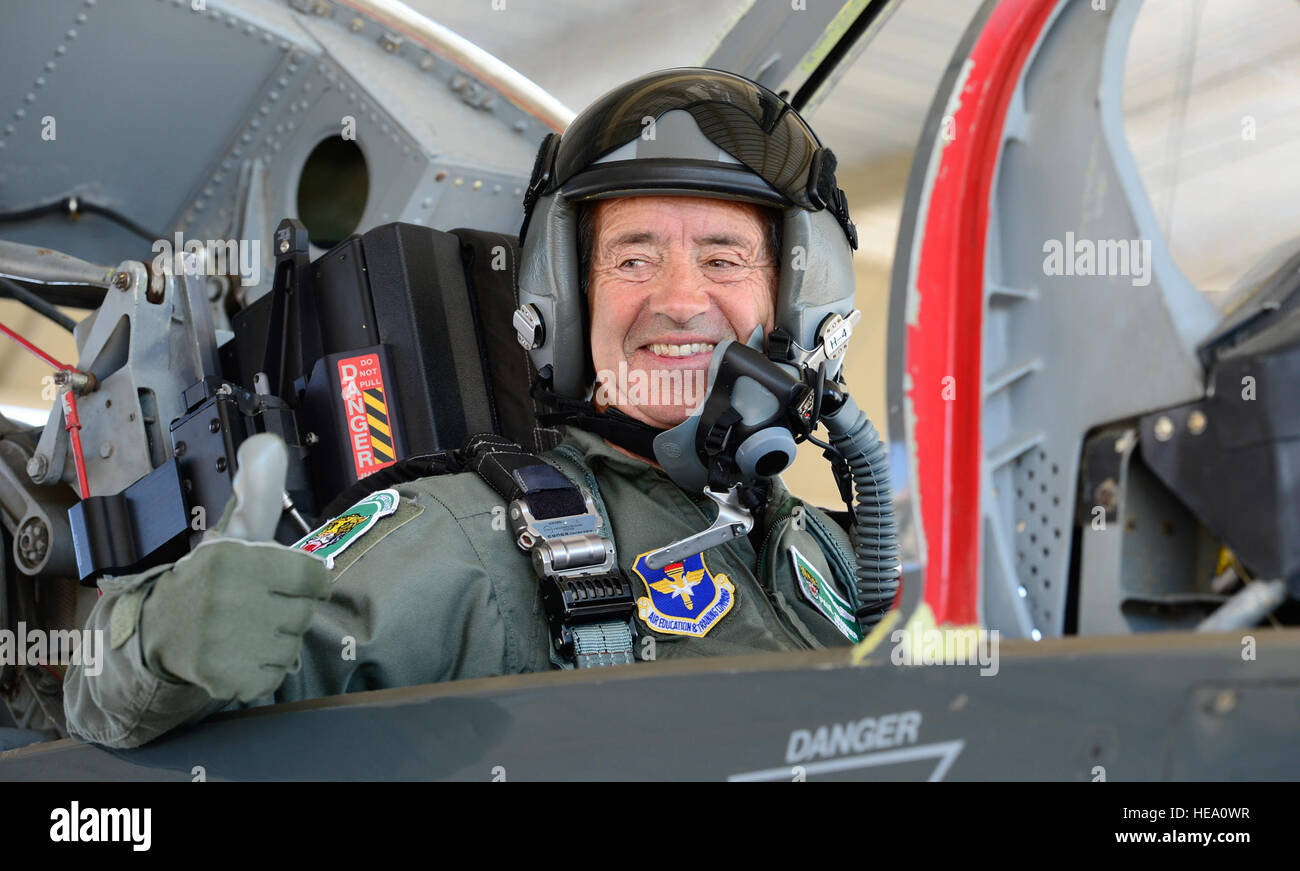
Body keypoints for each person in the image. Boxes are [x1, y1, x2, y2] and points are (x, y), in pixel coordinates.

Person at [63, 68, 873, 749]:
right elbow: (106, 699)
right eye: (634, 257)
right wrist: (160, 640)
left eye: (723, 257)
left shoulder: (835, 554)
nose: (678, 300)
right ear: (570, 302)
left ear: (797, 301)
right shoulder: (472, 539)